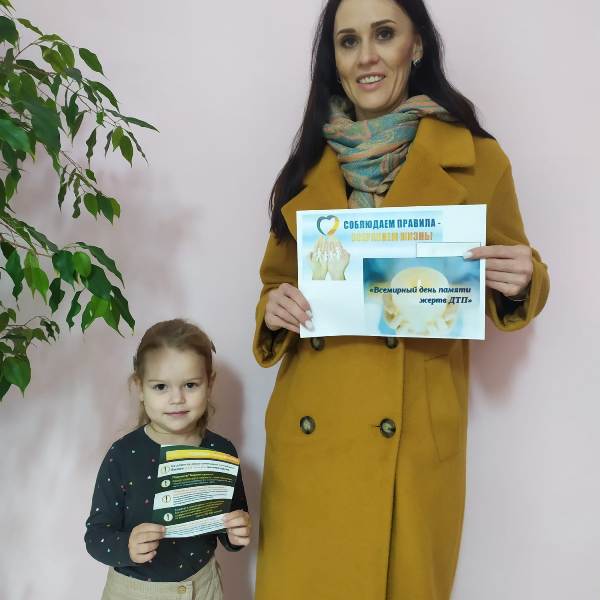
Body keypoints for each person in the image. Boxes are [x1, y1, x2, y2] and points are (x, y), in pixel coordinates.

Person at [252, 0, 549, 599]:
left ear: (416, 46)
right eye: (348, 41)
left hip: (412, 443)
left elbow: (519, 269)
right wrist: (274, 310)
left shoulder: (478, 159)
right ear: (333, 59)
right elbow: (273, 286)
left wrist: (524, 279)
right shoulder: (305, 167)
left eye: (384, 34)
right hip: (313, 444)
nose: (366, 56)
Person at [85, 319, 251, 600]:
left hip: (203, 586)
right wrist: (127, 546)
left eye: (190, 385)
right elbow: (96, 536)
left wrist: (236, 533)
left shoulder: (221, 451)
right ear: (140, 387)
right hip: (134, 591)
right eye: (161, 386)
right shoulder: (122, 455)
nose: (177, 399)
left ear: (209, 384)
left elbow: (228, 526)